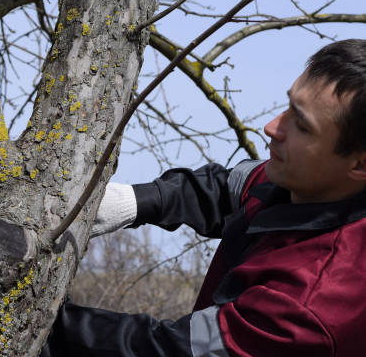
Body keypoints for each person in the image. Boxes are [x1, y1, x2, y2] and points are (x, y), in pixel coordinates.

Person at [40, 39, 366, 356]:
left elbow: (172, 350)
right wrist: (130, 202)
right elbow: (223, 190)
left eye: (302, 125)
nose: (272, 127)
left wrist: (40, 321)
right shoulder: (307, 181)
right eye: (289, 106)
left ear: (360, 163)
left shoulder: (314, 305)